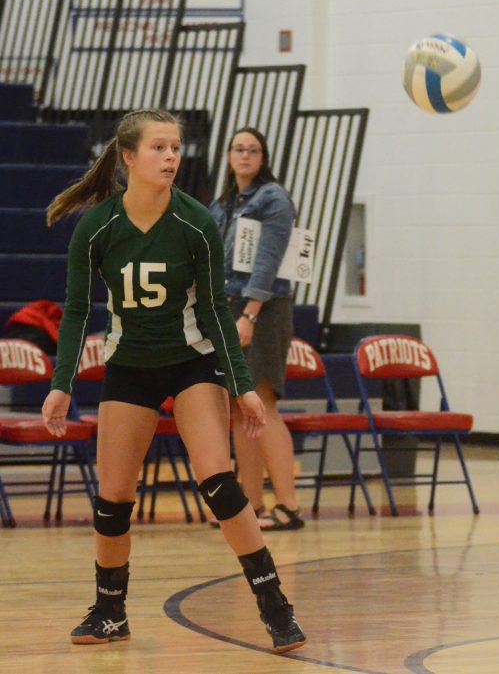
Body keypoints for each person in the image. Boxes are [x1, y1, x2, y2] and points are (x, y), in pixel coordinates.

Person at [40, 109, 307, 653]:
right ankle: (109, 612)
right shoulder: (98, 227)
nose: (170, 157)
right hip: (130, 365)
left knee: (219, 482)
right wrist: (61, 382)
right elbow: (75, 310)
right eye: (158, 148)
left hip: (191, 362)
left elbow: (214, 310)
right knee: (114, 497)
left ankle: (276, 607)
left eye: (176, 148)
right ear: (128, 157)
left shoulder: (195, 222)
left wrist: (242, 386)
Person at [208, 127, 303, 532]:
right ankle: (251, 505)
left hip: (263, 310)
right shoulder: (222, 203)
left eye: (253, 150)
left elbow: (267, 260)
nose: (245, 155)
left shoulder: (273, 199)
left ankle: (288, 505)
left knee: (262, 403)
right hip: (230, 306)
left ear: (263, 158)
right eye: (238, 149)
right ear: (229, 156)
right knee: (238, 409)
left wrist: (249, 315)